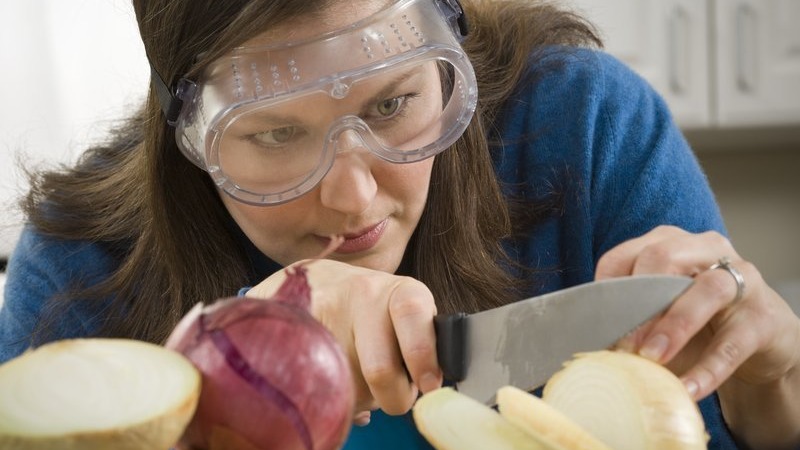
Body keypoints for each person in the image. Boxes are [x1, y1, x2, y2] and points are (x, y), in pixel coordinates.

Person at [1, 0, 798, 448]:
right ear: (186, 138)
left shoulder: (586, 128)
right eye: (275, 135)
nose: (353, 199)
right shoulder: (79, 262)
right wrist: (226, 376)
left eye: (394, 103)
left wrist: (772, 400)